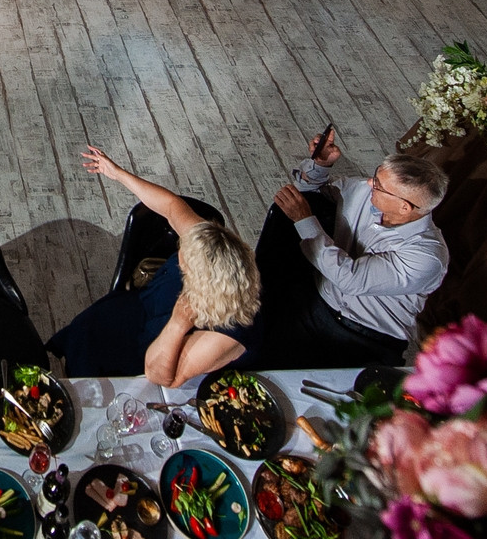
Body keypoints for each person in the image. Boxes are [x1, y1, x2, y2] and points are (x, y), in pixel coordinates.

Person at [48, 146, 262, 386]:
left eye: (185, 254)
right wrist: (116, 173)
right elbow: (171, 206)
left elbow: (161, 376)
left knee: (94, 375)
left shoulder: (229, 333)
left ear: (200, 278)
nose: (180, 250)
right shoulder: (208, 250)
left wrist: (179, 323)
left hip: (156, 351)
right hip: (140, 309)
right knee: (84, 330)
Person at [257, 130, 449, 368]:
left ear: (404, 208)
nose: (369, 183)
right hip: (315, 307)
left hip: (367, 338)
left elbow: (350, 278)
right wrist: (320, 166)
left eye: (379, 186)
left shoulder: (427, 257)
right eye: (375, 176)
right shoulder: (363, 192)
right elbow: (312, 194)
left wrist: (304, 220)